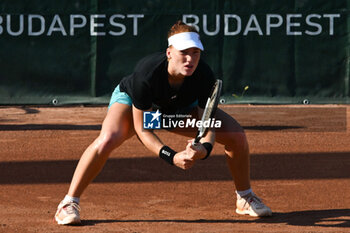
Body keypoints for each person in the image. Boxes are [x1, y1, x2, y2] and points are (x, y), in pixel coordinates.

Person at [54, 20, 272, 225]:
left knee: (236, 136)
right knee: (108, 138)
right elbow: (142, 128)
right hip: (137, 106)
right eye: (184, 53)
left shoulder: (204, 74)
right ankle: (68, 202)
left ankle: (244, 198)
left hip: (178, 112)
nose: (190, 59)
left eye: (195, 52)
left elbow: (208, 124)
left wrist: (203, 149)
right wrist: (172, 156)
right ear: (169, 53)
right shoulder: (146, 73)